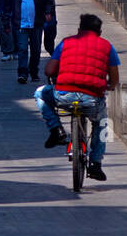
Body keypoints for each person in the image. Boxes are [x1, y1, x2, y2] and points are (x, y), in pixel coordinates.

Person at [35, 13, 120, 182]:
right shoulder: (107, 46)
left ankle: (56, 129)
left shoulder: (66, 43)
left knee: (40, 93)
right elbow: (114, 78)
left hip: (63, 96)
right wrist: (109, 85)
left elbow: (49, 71)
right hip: (92, 99)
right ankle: (96, 163)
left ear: (79, 29)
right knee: (103, 123)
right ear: (100, 31)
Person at [1, 0, 51, 83]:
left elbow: (47, 1)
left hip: (36, 23)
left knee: (35, 50)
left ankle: (34, 72)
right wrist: (6, 23)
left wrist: (48, 12)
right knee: (22, 49)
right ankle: (22, 73)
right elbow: (7, 7)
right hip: (20, 24)